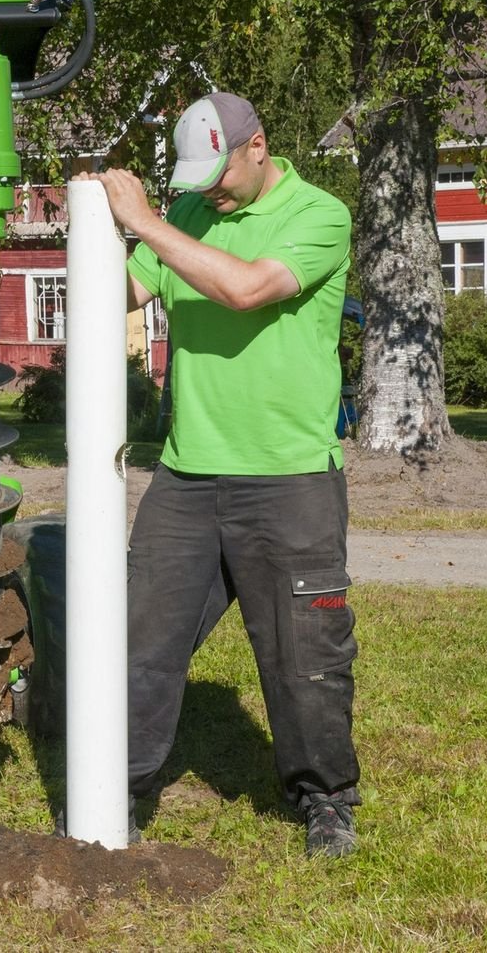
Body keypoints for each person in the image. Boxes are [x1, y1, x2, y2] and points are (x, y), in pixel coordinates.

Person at [86, 91, 361, 857]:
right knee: (139, 639)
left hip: (291, 474)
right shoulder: (192, 218)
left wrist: (146, 222)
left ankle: (326, 801)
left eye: (220, 170)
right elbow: (121, 294)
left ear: (259, 146)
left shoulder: (320, 215)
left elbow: (244, 290)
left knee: (304, 653)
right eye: (196, 176)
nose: (209, 187)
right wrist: (94, 232)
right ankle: (120, 789)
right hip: (187, 476)